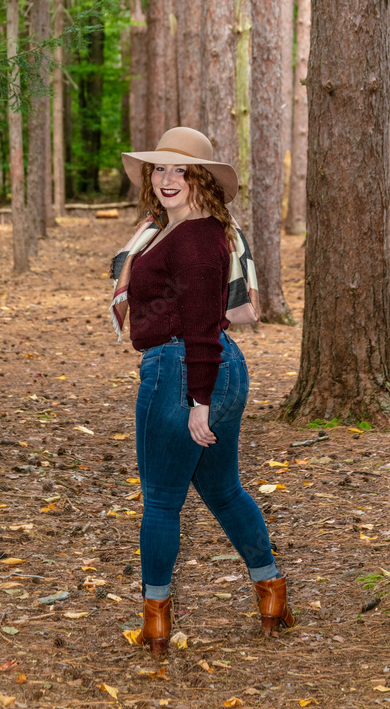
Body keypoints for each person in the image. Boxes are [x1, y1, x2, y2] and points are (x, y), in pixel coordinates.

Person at [110, 127, 294, 655]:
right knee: (223, 491)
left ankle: (155, 621)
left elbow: (197, 324)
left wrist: (199, 403)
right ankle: (272, 593)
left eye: (180, 170)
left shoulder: (193, 237)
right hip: (213, 366)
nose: (167, 179)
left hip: (186, 368)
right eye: (160, 169)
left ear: (201, 180)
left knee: (162, 503)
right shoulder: (176, 230)